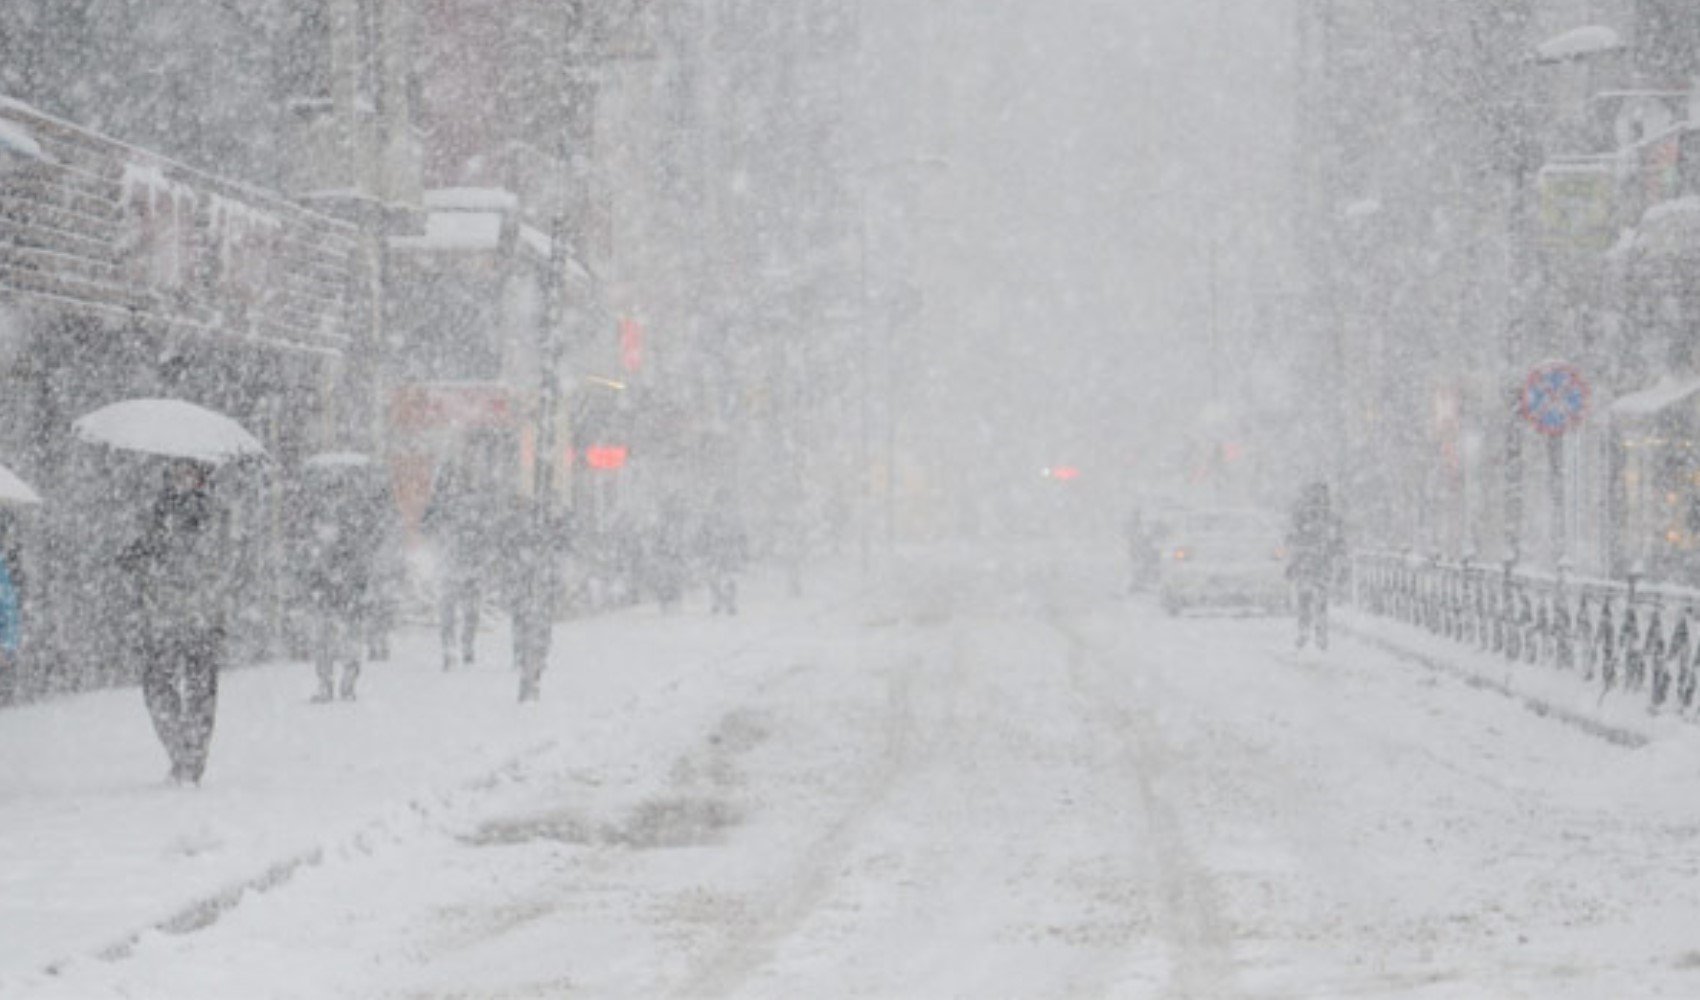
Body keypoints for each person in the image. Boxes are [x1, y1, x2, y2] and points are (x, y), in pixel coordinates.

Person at [119, 460, 230, 785]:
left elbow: (218, 563)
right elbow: (143, 556)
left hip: (200, 616)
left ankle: (193, 758)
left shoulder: (214, 514)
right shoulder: (156, 512)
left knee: (200, 690)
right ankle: (182, 752)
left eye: (189, 471)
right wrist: (137, 555)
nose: (183, 478)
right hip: (163, 615)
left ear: (201, 476)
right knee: (157, 686)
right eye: (177, 471)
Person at [300, 466, 383, 702]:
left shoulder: (340, 522)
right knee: (337, 639)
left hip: (337, 590)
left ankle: (335, 683)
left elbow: (356, 557)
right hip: (338, 591)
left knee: (332, 639)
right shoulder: (354, 518)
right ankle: (340, 682)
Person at [423, 463, 489, 671]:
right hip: (465, 564)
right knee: (466, 611)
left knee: (451, 611)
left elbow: (426, 527)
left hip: (453, 562)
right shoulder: (475, 503)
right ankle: (462, 645)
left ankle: (452, 648)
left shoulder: (441, 504)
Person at [499, 496, 564, 702]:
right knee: (535, 625)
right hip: (533, 590)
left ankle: (527, 663)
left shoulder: (519, 533)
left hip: (529, 589)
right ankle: (531, 666)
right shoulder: (545, 535)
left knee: (527, 624)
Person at [1286, 481, 1343, 651]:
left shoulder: (1302, 516)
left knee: (1308, 599)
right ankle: (1318, 633)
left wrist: (1295, 557)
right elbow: (1339, 542)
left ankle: (1309, 632)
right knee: (1318, 600)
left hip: (1310, 563)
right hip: (1318, 563)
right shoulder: (1329, 518)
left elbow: (1291, 540)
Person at [698, 495, 748, 616]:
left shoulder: (715, 517)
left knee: (724, 579)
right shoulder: (715, 517)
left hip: (723, 551)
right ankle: (723, 602)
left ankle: (725, 602)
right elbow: (703, 535)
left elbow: (742, 536)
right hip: (721, 552)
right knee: (719, 579)